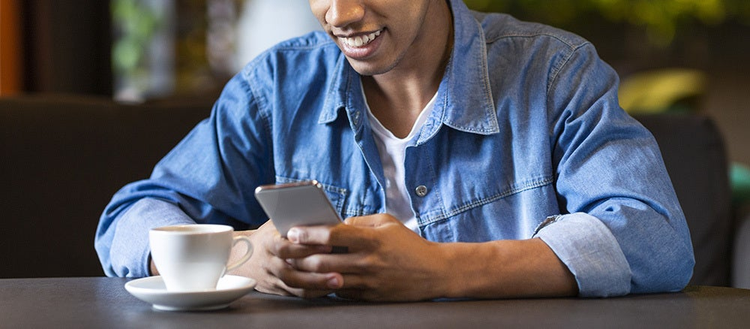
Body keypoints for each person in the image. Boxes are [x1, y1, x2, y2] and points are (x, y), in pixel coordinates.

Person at [95, 0, 695, 301]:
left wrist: (440, 270)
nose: (341, 13)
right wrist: (248, 256)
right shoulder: (277, 87)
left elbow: (653, 238)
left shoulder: (555, 72)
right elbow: (132, 219)